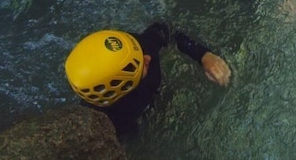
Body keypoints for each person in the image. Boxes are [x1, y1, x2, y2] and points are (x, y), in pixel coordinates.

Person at [64, 22, 231, 138]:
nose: (148, 58)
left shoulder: (137, 48)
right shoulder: (106, 125)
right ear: (121, 87)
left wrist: (203, 55)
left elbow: (165, 30)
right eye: (139, 64)